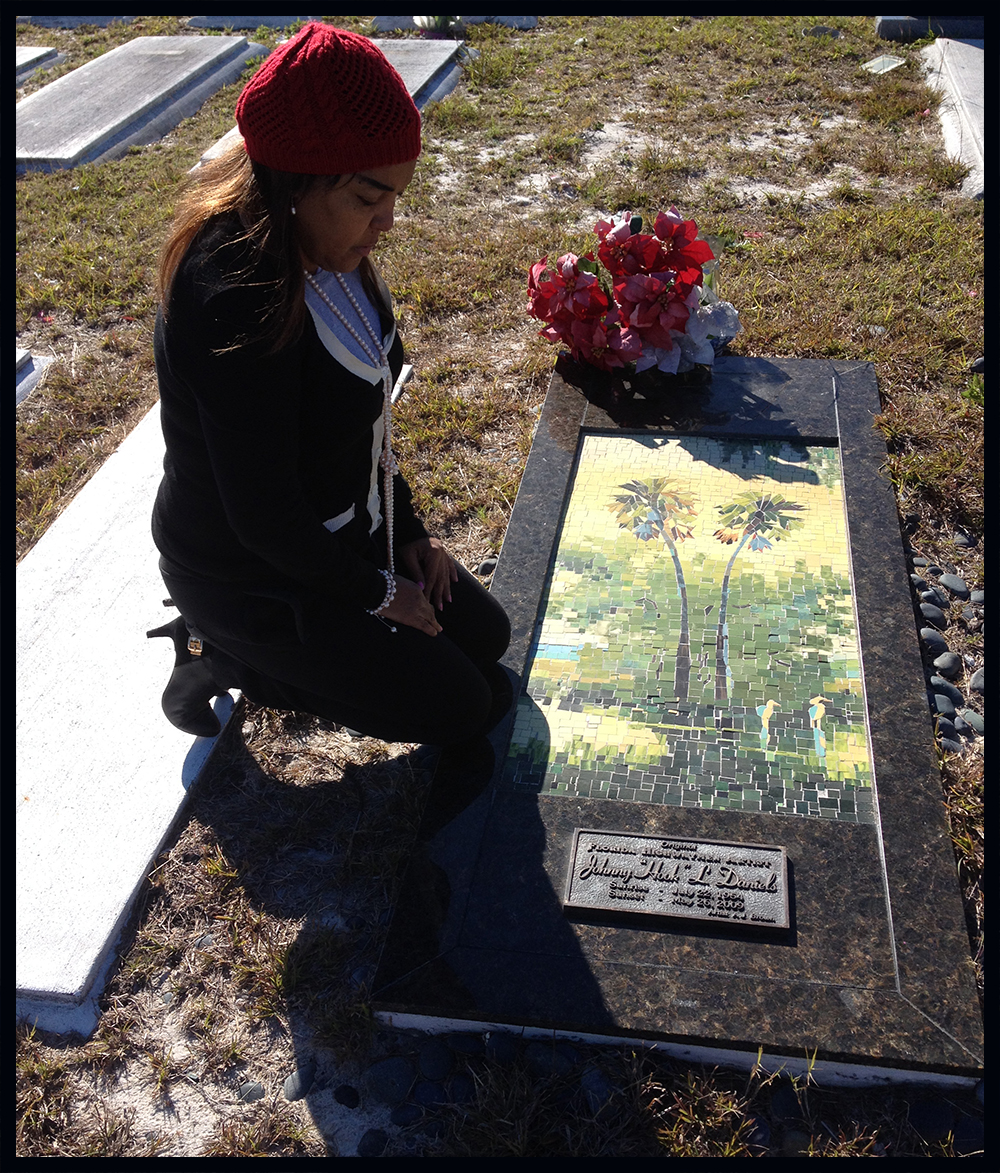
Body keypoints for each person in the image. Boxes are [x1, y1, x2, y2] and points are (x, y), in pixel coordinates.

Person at [148, 23, 510, 747]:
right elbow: (265, 517)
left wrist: (406, 533)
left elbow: (364, 416)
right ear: (298, 178)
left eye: (396, 194)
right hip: (249, 571)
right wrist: (379, 592)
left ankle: (304, 638)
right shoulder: (236, 293)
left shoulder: (326, 248)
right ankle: (217, 649)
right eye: (370, 196)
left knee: (487, 638)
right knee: (463, 707)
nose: (389, 222)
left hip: (338, 529)